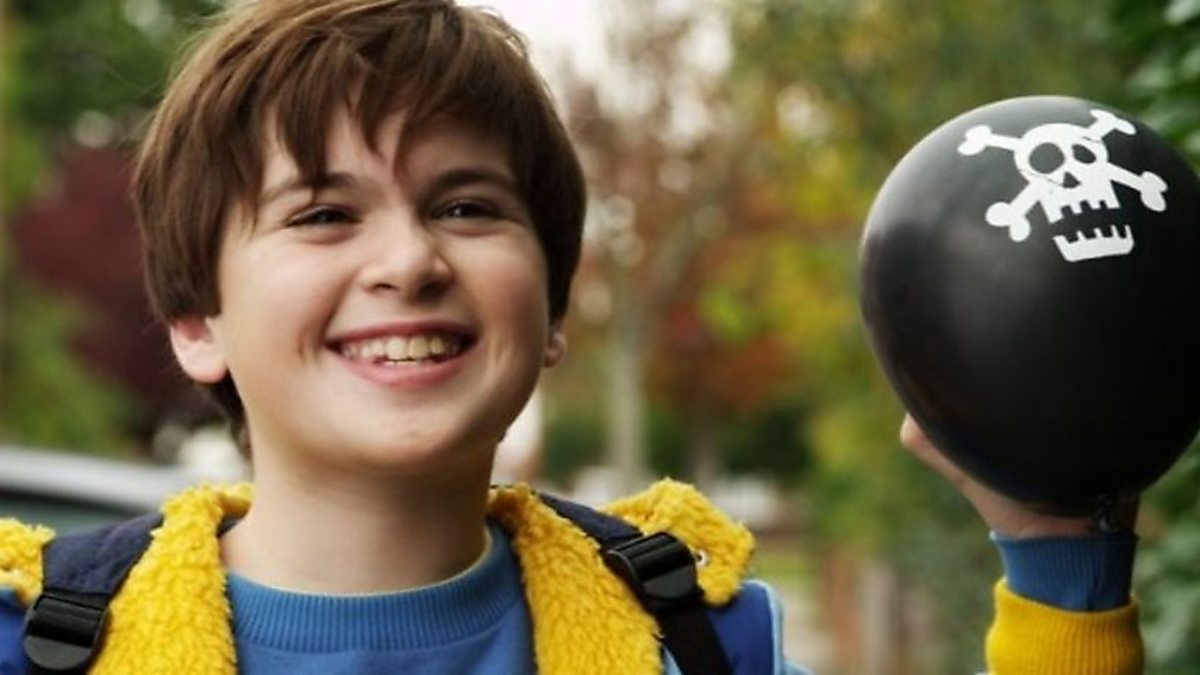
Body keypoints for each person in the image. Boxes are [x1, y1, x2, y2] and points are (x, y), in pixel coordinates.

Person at [0, 1, 1143, 673]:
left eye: (466, 206)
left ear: (550, 310)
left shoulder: (702, 636)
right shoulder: (44, 644)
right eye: (323, 215)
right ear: (196, 321)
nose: (410, 260)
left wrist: (1058, 551)